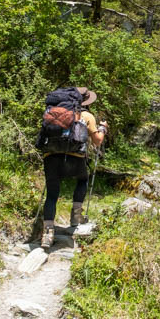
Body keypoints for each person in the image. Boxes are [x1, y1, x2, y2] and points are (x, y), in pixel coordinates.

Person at [41, 86, 108, 249]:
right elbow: (97, 140)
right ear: (85, 101)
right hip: (75, 158)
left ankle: (47, 234)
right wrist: (103, 128)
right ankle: (76, 217)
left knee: (51, 194)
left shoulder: (53, 110)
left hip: (51, 157)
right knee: (83, 180)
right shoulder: (86, 115)